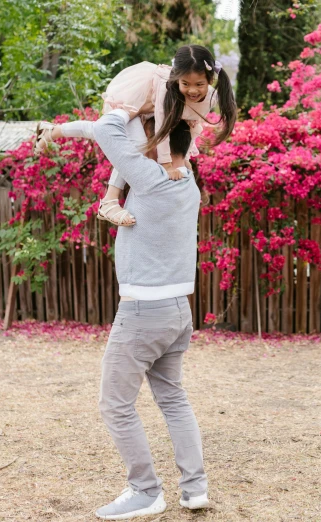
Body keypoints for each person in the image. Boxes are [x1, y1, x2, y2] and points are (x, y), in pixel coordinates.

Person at [90, 109, 208, 519]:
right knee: (173, 398)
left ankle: (145, 490)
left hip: (144, 312)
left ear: (155, 146)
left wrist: (127, 108)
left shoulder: (150, 179)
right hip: (179, 310)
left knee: (114, 403)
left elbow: (104, 130)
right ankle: (195, 489)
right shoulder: (189, 183)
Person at [34, 44, 236, 226]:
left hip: (146, 110)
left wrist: (183, 159)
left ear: (210, 80)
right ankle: (109, 200)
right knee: (131, 144)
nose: (192, 90)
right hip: (133, 102)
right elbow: (164, 126)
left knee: (108, 134)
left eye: (199, 84)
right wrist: (166, 164)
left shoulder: (210, 97)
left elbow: (190, 125)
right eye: (186, 84)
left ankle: (54, 130)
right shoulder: (167, 88)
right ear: (176, 79)